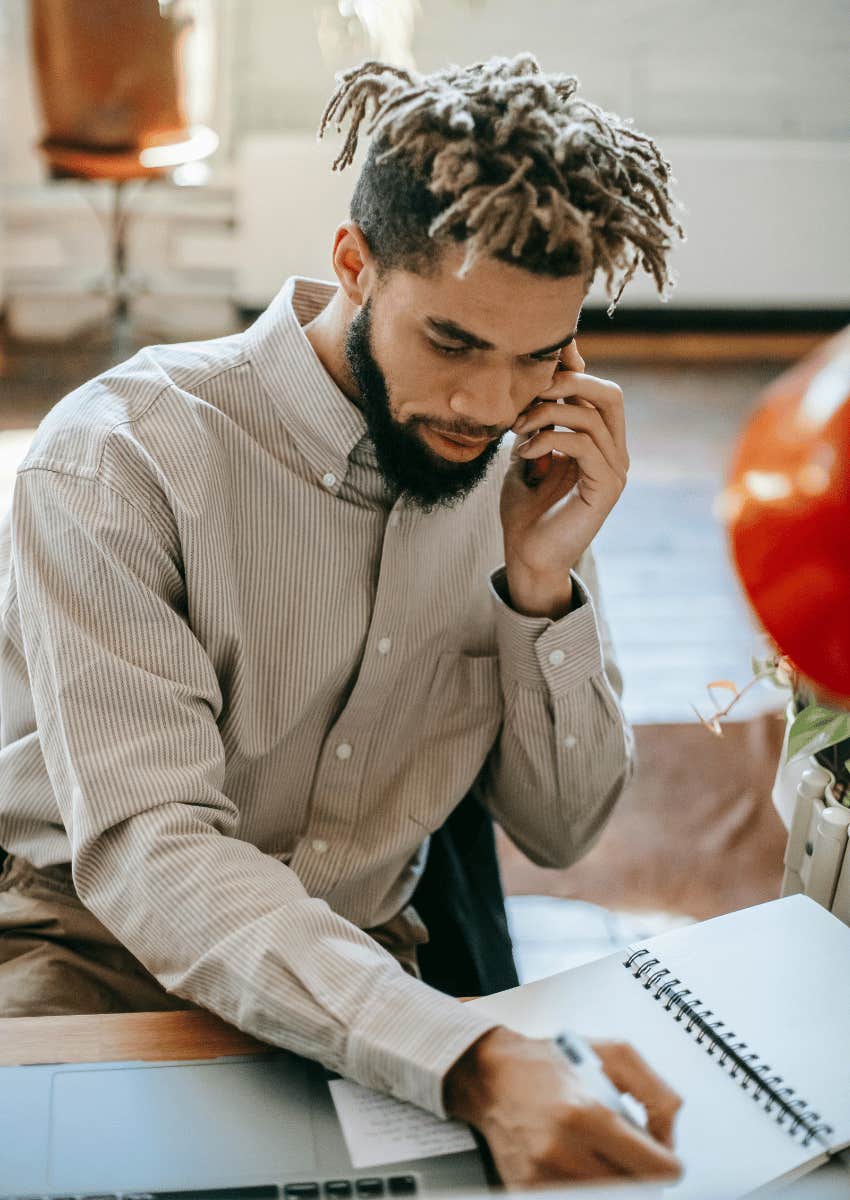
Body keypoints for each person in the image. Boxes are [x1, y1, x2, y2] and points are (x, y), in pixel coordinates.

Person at [0, 53, 685, 1183]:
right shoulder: (116, 457)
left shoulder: (525, 470)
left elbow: (563, 831)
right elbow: (153, 851)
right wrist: (463, 1055)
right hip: (89, 954)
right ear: (353, 265)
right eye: (454, 343)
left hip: (369, 975)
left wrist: (540, 585)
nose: (489, 406)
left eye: (537, 358)